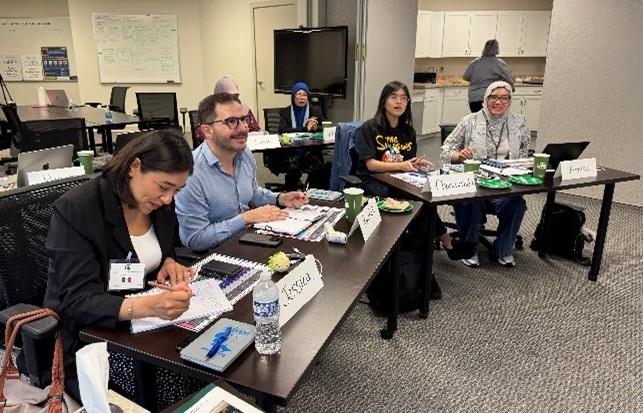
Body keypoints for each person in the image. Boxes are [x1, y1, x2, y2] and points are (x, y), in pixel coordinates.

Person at [43, 129, 196, 401]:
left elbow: (164, 246)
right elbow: (78, 300)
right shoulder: (77, 210)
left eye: (176, 190)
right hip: (90, 338)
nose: (169, 199)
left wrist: (169, 261)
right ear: (134, 167)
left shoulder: (158, 204)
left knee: (204, 359)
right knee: (175, 381)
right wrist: (150, 306)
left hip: (143, 325)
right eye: (163, 187)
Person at [355, 81, 476, 298]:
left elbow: (406, 160)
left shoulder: (407, 130)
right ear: (384, 101)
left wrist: (415, 163)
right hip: (372, 181)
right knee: (412, 202)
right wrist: (401, 165)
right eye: (394, 97)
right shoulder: (368, 129)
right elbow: (371, 165)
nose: (399, 102)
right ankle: (444, 241)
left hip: (401, 178)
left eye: (403, 98)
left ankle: (423, 259)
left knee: (423, 199)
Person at [175, 93, 309, 251]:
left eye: (244, 119)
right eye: (231, 121)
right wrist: (245, 219)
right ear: (207, 131)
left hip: (248, 239)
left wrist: (280, 198)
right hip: (212, 253)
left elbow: (252, 193)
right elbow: (196, 239)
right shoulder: (191, 173)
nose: (244, 127)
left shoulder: (244, 154)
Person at [440, 81, 530, 268]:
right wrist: (458, 155)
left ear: (510, 101)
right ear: (485, 99)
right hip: (474, 183)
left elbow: (522, 153)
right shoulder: (470, 121)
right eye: (494, 97)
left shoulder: (519, 123)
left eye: (504, 97)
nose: (499, 102)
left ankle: (503, 249)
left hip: (504, 184)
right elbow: (446, 150)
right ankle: (469, 248)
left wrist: (524, 164)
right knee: (467, 201)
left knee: (517, 203)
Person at [264, 82, 326, 190]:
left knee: (318, 167)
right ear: (293, 97)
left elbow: (324, 127)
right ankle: (290, 193)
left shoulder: (315, 111)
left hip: (310, 150)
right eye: (299, 94)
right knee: (293, 167)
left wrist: (315, 128)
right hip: (289, 151)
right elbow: (283, 130)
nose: (302, 97)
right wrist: (305, 129)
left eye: (304, 95)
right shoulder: (285, 112)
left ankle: (310, 191)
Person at [463, 39, 514, 113]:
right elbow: (509, 79)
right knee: (491, 123)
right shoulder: (499, 63)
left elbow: (465, 77)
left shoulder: (475, 63)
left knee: (477, 122)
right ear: (497, 50)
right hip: (490, 99)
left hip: (474, 100)